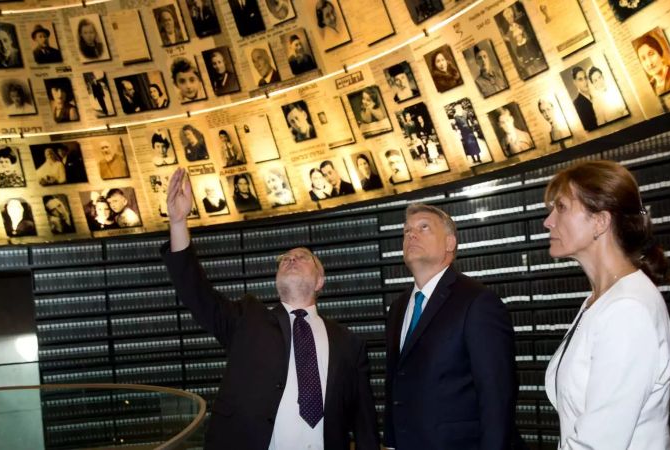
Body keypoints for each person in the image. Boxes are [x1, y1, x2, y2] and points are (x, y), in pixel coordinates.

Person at [162, 166, 380, 449]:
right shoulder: (246, 319)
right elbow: (196, 292)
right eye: (284, 258)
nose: (290, 259)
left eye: (301, 257)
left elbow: (365, 425)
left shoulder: (349, 343)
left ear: (320, 280)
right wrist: (178, 223)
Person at [542, 160, 670, 448]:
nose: (548, 221)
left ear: (600, 222)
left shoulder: (627, 310)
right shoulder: (599, 300)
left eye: (561, 208)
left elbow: (599, 443)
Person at [384, 203, 517, 449]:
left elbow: (496, 395)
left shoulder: (477, 302)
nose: (411, 234)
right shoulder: (398, 308)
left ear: (449, 243)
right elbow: (397, 380)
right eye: (406, 231)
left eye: (424, 227)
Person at [570, 66, 598, 131]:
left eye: (585, 78)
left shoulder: (595, 95)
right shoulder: (576, 104)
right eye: (580, 79)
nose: (585, 82)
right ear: (575, 82)